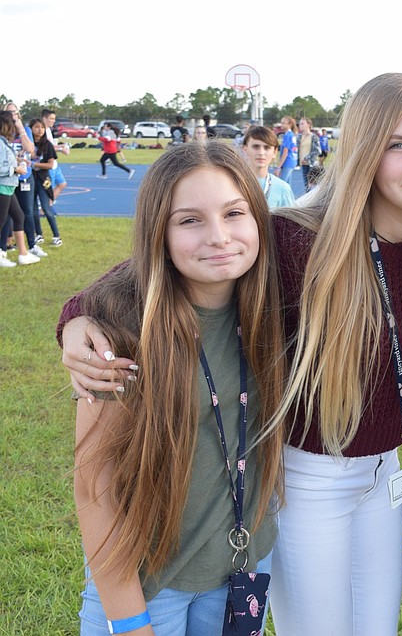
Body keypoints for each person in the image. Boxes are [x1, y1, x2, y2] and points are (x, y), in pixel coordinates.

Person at [57, 72, 402, 636]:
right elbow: (161, 263)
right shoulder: (297, 239)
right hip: (309, 477)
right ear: (365, 149)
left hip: (384, 475)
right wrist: (76, 317)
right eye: (398, 143)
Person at [73, 141, 286, 635]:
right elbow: (94, 485)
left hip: (242, 573)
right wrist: (129, 623)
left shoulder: (278, 307)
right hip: (147, 587)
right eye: (189, 220)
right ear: (159, 233)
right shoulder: (123, 327)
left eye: (234, 213)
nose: (219, 236)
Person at [0, 102, 50, 260]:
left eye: (15, 112)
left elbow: (30, 149)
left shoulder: (23, 130)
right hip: (7, 180)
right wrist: (15, 166)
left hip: (21, 178)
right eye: (9, 113)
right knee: (5, 217)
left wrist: (20, 128)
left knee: (24, 213)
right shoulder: (3, 135)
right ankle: (4, 249)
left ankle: (29, 247)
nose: (12, 116)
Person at [240, 125, 295, 209]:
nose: (261, 152)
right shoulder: (234, 184)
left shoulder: (283, 189)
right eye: (256, 147)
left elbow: (290, 221)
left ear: (275, 152)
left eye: (267, 147)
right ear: (245, 149)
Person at [28, 118, 62, 246]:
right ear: (31, 129)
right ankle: (39, 234)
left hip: (43, 179)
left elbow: (50, 165)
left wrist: (34, 164)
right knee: (32, 210)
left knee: (46, 208)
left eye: (42, 127)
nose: (40, 129)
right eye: (36, 127)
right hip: (30, 179)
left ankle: (56, 235)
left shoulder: (47, 145)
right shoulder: (28, 144)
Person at [297, 116, 321, 191]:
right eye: (300, 124)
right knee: (306, 186)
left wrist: (306, 158)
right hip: (303, 164)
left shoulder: (314, 137)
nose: (300, 125)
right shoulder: (299, 137)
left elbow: (318, 150)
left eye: (302, 123)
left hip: (311, 164)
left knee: (313, 186)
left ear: (308, 125)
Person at [274, 116, 298, 186]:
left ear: (289, 124)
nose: (281, 124)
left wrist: (278, 167)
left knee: (282, 184)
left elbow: (285, 153)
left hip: (288, 162)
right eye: (281, 123)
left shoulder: (288, 135)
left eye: (283, 123)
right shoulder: (290, 134)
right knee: (287, 185)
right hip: (291, 161)